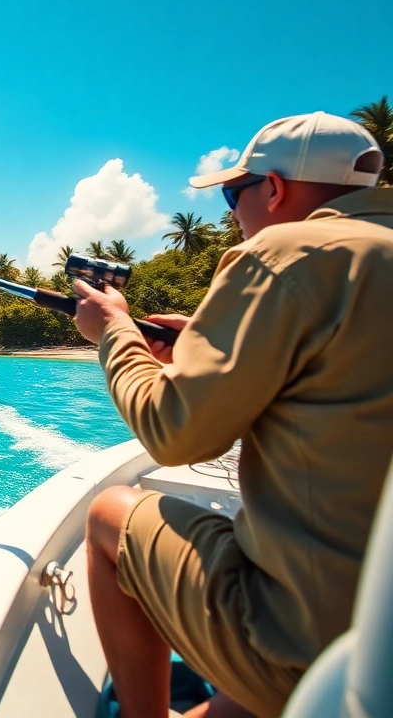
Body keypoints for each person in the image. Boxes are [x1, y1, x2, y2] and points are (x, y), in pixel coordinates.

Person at [72, 111, 393, 718]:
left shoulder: (286, 250)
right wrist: (209, 338)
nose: (231, 214)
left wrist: (115, 332)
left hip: (314, 648)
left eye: (232, 193)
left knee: (108, 516)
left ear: (273, 189)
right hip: (379, 644)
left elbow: (175, 433)